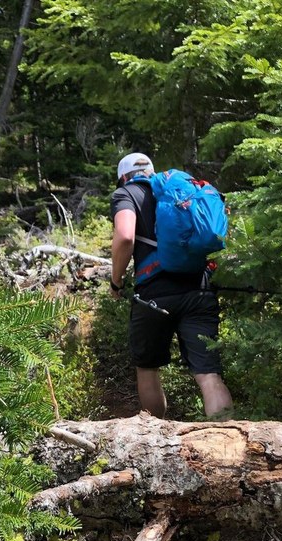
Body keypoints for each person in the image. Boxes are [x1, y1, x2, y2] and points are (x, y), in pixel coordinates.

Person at [109, 152, 233, 419]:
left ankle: (154, 442)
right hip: (198, 287)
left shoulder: (127, 194)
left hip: (153, 295)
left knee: (148, 368)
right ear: (152, 172)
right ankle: (227, 441)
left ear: (123, 177)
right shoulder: (176, 190)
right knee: (209, 374)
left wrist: (116, 281)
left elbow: (125, 236)